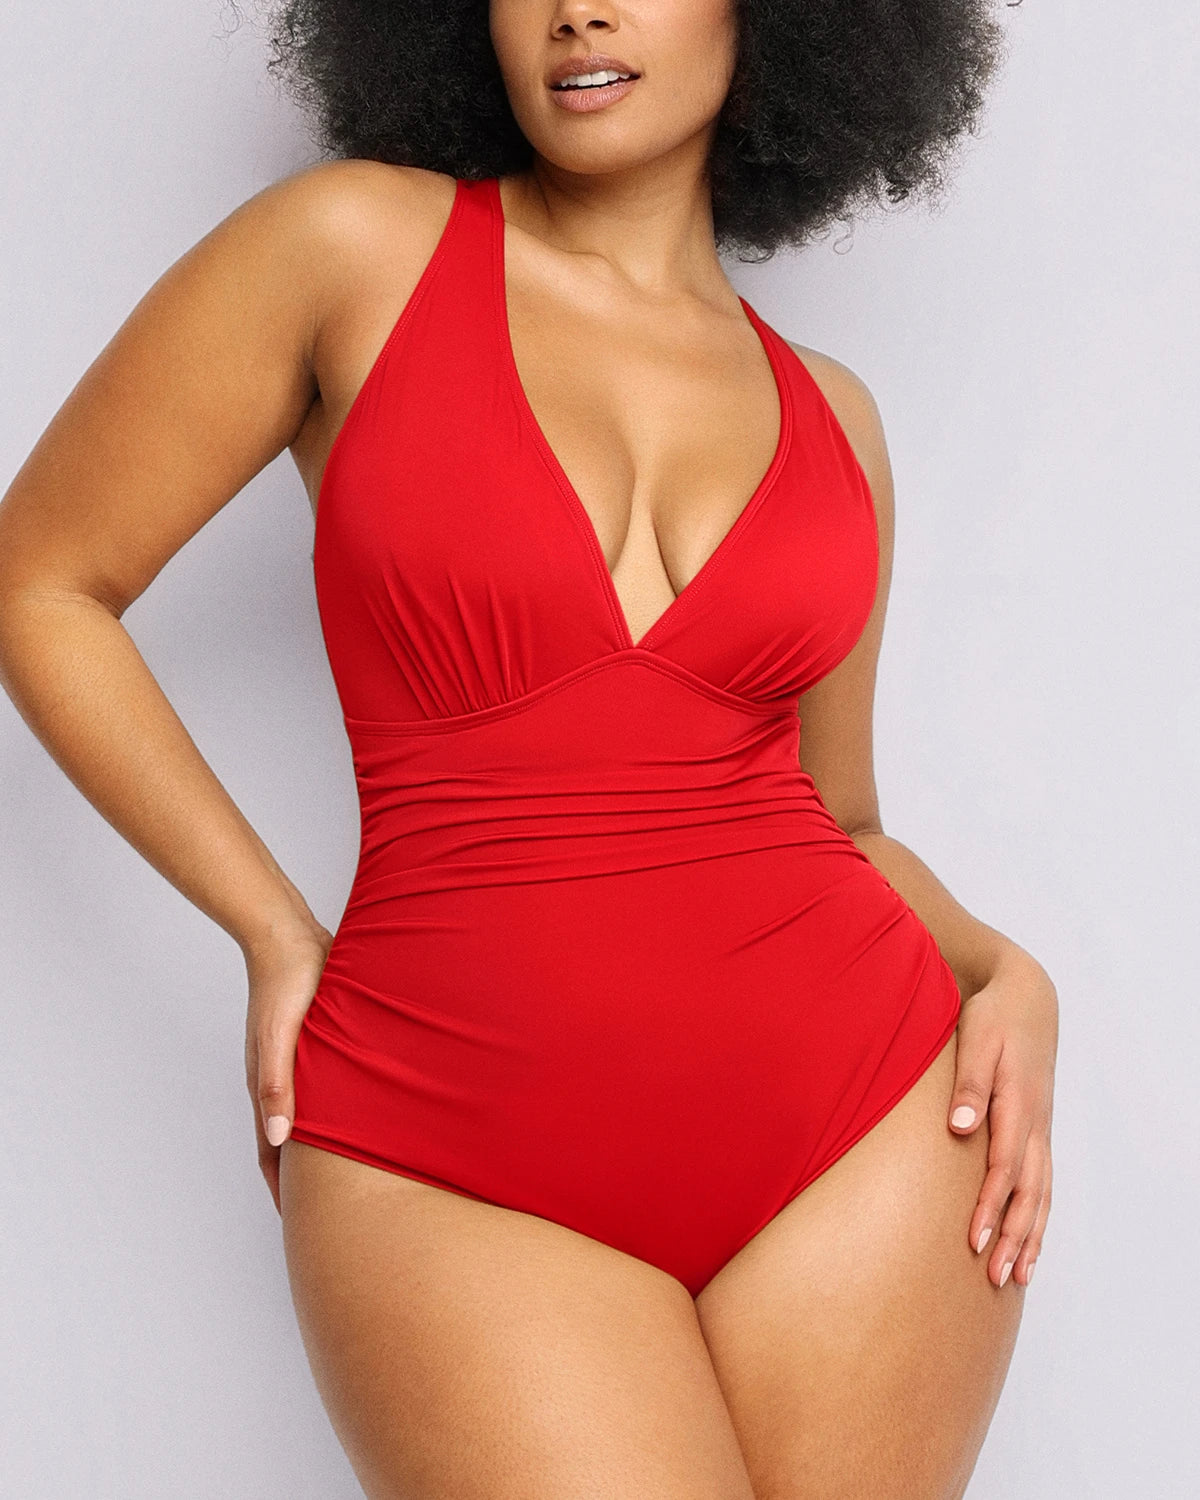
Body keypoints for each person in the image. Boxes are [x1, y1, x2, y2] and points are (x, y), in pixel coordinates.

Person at [0, 2, 1058, 1496]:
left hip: (863, 1128)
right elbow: (42, 581)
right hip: (450, 1144)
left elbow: (842, 820)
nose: (577, 8)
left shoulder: (836, 418)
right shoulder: (351, 251)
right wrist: (271, 932)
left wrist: (1007, 972)